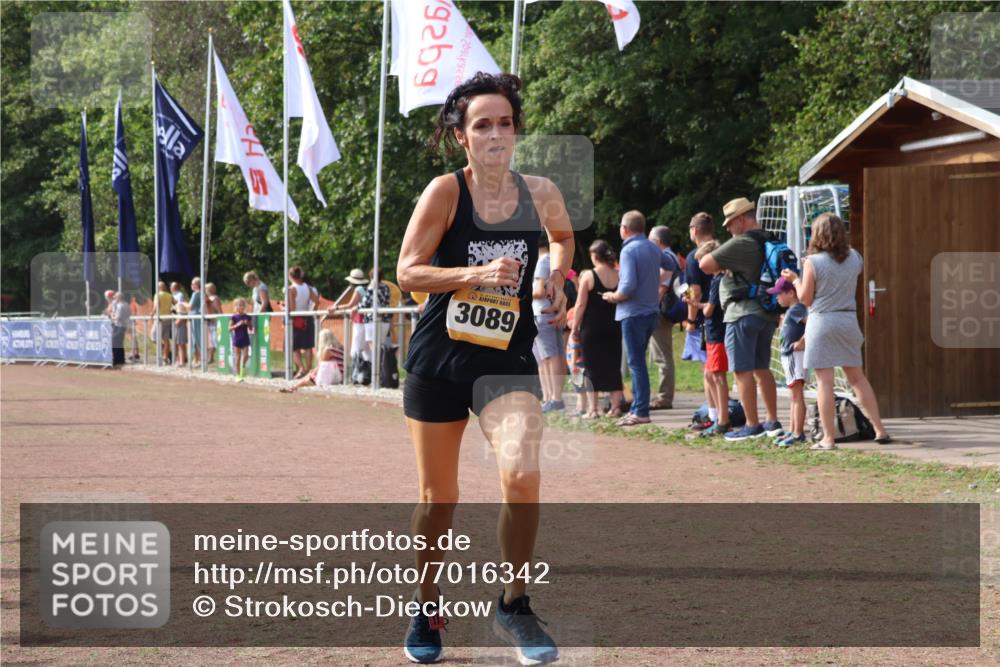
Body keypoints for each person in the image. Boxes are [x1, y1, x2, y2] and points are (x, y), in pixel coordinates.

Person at [396, 72, 571, 665]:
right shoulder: (445, 192)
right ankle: (426, 603)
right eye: (482, 125)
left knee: (522, 475)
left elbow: (563, 238)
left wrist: (558, 276)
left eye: (505, 123)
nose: (496, 134)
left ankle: (514, 604)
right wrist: (473, 274)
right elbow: (408, 272)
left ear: (516, 130)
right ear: (461, 136)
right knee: (436, 499)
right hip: (439, 361)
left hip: (506, 360)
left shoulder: (540, 191)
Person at [781, 213, 891, 450]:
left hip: (821, 321)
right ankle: (880, 429)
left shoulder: (813, 261)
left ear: (818, 234)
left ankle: (828, 438)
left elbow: (805, 298)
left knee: (825, 382)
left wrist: (797, 279)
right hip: (847, 320)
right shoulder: (855, 258)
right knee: (857, 378)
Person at [700, 197, 783, 441]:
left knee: (741, 371)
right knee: (761, 368)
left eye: (729, 223)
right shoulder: (769, 237)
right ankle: (771, 420)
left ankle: (752, 424)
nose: (727, 228)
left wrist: (726, 262)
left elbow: (705, 264)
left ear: (741, 219)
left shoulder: (743, 242)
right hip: (766, 313)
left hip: (741, 314)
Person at [601, 210, 675, 426]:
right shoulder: (653, 246)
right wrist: (652, 280)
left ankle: (640, 411)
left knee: (636, 364)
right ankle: (637, 407)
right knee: (639, 362)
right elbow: (671, 265)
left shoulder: (628, 251)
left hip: (633, 313)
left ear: (625, 229)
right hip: (652, 311)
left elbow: (628, 287)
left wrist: (612, 296)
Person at [570, 240, 624, 419]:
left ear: (595, 256)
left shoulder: (589, 276)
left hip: (592, 327)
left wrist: (574, 327)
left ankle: (593, 409)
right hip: (614, 326)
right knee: (613, 365)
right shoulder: (619, 275)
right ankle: (615, 407)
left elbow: (580, 304)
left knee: (591, 366)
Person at [691, 240, 731, 437]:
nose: (700, 265)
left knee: (718, 376)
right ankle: (716, 416)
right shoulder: (719, 278)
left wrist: (698, 306)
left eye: (702, 260)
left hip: (718, 333)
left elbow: (710, 310)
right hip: (715, 333)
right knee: (711, 374)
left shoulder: (718, 280)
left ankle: (723, 420)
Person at [767, 277, 809, 447]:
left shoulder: (797, 309)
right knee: (794, 395)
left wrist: (802, 340)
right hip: (789, 356)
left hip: (794, 356)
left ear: (791, 293)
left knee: (797, 395)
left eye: (779, 294)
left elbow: (812, 322)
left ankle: (798, 433)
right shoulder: (791, 311)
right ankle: (793, 431)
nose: (777, 298)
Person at [684, 212, 717, 428]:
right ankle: (717, 413)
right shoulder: (721, 250)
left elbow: (694, 291)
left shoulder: (693, 257)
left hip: (706, 316)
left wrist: (691, 321)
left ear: (694, 230)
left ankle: (713, 414)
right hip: (723, 312)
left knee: (709, 371)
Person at [647, 225, 681, 410]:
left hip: (660, 310)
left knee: (662, 355)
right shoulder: (672, 257)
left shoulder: (666, 258)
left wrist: (651, 308)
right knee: (660, 353)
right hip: (664, 309)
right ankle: (661, 395)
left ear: (658, 242)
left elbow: (660, 285)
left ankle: (664, 397)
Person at [532, 236, 565, 413]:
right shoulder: (552, 261)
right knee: (550, 356)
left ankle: (554, 398)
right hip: (550, 311)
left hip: (541, 312)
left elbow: (538, 291)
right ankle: (551, 397)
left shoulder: (542, 262)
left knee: (548, 358)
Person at [328, 268, 370, 363]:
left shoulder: (358, 289)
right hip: (367, 321)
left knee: (356, 348)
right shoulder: (367, 288)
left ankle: (355, 371)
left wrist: (336, 307)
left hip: (360, 321)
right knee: (366, 350)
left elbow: (350, 304)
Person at [287, 266, 320, 379]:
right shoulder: (308, 287)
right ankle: (309, 369)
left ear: (290, 276)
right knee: (308, 346)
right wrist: (312, 311)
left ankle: (301, 368)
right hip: (307, 317)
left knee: (293, 347)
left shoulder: (291, 289)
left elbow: (292, 307)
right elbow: (317, 301)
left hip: (296, 318)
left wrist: (285, 309)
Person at [178, 277, 202, 366]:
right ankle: (196, 359)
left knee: (196, 337)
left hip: (195, 318)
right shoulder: (200, 294)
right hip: (195, 317)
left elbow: (190, 306)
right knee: (194, 338)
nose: (191, 285)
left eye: (192, 284)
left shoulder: (196, 294)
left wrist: (183, 303)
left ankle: (199, 359)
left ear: (196, 285)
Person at [229, 297, 253, 379]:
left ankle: (243, 367)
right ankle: (238, 374)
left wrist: (248, 324)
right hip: (237, 339)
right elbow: (229, 328)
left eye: (243, 305)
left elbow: (251, 328)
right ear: (235, 306)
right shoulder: (234, 317)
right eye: (239, 305)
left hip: (245, 338)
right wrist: (237, 324)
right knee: (237, 357)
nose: (241, 306)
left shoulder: (247, 317)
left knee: (246, 355)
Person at [109, 292, 130, 367]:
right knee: (120, 343)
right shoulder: (126, 304)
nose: (115, 299)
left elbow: (118, 317)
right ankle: (121, 359)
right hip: (123, 326)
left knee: (115, 343)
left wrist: (112, 317)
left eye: (115, 297)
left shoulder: (120, 306)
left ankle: (116, 360)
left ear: (119, 298)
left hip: (119, 325)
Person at [170, 282, 188, 367]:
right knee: (177, 343)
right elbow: (173, 309)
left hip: (179, 322)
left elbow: (181, 311)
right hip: (176, 320)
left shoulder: (179, 296)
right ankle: (179, 359)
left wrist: (178, 320)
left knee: (181, 343)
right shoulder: (173, 297)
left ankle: (182, 361)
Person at [203, 282, 222, 366]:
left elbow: (218, 310)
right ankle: (211, 358)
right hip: (211, 322)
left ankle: (217, 358)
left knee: (215, 340)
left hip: (214, 322)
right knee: (212, 340)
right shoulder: (208, 298)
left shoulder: (214, 298)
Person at [154, 281, 173, 364]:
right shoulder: (169, 295)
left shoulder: (157, 295)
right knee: (166, 339)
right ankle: (166, 355)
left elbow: (155, 306)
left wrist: (151, 315)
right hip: (168, 318)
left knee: (153, 336)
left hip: (160, 319)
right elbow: (175, 304)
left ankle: (166, 353)